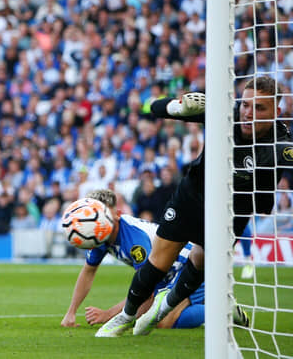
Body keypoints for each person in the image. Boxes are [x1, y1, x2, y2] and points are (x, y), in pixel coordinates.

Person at [97, 76, 293, 337]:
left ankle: (162, 309)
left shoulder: (281, 145)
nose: (248, 113)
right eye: (246, 104)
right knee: (159, 261)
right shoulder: (223, 112)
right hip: (193, 195)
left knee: (199, 263)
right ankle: (126, 316)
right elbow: (153, 107)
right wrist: (179, 107)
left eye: (259, 108)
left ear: (276, 112)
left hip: (233, 211)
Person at [61, 189, 249, 330]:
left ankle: (223, 310)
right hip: (167, 274)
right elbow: (88, 270)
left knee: (162, 322)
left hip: (191, 268)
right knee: (160, 318)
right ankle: (214, 305)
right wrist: (71, 312)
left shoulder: (136, 242)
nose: (99, 220)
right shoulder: (100, 235)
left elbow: (147, 293)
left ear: (117, 213)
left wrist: (109, 315)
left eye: (104, 213)